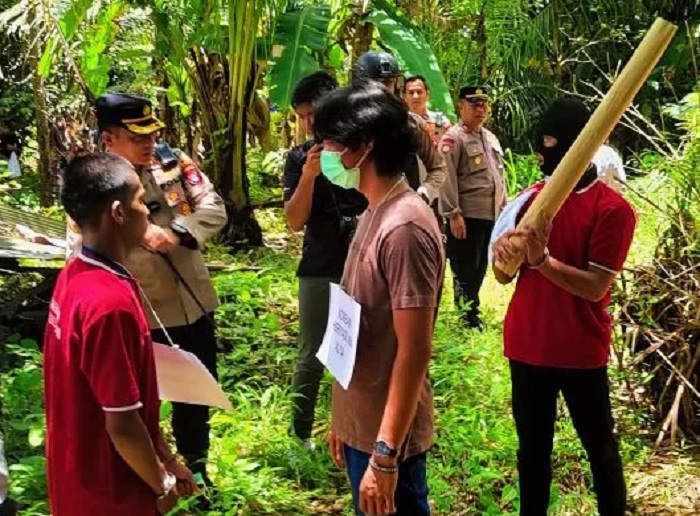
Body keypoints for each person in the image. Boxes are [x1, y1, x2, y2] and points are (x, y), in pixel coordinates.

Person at [67, 93, 227, 492]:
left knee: (195, 398)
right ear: (108, 140)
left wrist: (177, 232)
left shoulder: (175, 163)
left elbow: (214, 208)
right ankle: (153, 473)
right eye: (136, 136)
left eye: (151, 133)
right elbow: (82, 248)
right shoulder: (93, 184)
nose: (148, 143)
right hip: (143, 313)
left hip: (193, 303)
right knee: (141, 402)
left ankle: (197, 467)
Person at [491, 97, 636, 516]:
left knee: (600, 448)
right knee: (532, 451)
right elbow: (502, 277)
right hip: (526, 345)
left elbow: (595, 287)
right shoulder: (530, 200)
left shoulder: (613, 210)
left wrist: (542, 262)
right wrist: (506, 256)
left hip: (579, 351)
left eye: (553, 146)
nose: (543, 156)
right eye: (541, 147)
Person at [316, 81, 444, 516]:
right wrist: (345, 419)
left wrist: (385, 453)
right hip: (362, 423)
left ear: (363, 147)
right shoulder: (374, 209)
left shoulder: (405, 227)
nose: (325, 154)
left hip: (389, 445)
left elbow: (414, 349)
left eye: (331, 142)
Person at [44, 153, 197, 515]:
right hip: (112, 491)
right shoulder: (109, 303)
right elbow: (123, 423)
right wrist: (162, 485)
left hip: (76, 480)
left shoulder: (75, 274)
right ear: (118, 213)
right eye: (141, 201)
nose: (147, 210)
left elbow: (127, 398)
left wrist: (165, 457)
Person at [283, 71, 368, 447]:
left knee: (362, 351)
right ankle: (300, 433)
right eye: (302, 117)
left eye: (311, 114)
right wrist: (308, 177)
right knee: (312, 352)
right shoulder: (300, 157)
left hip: (364, 263)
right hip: (319, 266)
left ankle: (355, 430)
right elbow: (293, 221)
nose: (308, 124)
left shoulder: (362, 147)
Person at [439, 85, 505, 329]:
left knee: (480, 266)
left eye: (484, 104)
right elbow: (446, 178)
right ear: (461, 106)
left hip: (490, 214)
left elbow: (499, 176)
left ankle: (471, 310)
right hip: (466, 215)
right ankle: (467, 316)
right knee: (465, 266)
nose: (480, 109)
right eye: (474, 104)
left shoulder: (489, 138)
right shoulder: (453, 138)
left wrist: (504, 209)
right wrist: (453, 213)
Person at [354, 51, 445, 206]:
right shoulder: (348, 125)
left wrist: (423, 194)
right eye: (376, 82)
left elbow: (438, 169)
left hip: (402, 212)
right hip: (360, 215)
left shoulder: (411, 124)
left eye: (388, 82)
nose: (382, 89)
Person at [403, 75, 452, 147]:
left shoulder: (439, 120)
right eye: (411, 92)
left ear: (427, 94)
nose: (415, 96)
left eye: (419, 92)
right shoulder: (401, 122)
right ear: (404, 96)